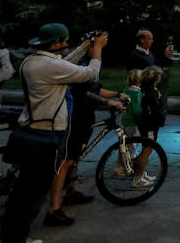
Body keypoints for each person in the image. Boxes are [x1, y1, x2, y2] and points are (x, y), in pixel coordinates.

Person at [0, 23, 107, 243]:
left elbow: (64, 64)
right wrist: (97, 51)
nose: (66, 45)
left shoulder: (33, 61)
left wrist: (84, 45)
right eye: (65, 42)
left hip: (31, 131)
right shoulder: (49, 67)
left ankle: (11, 235)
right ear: (56, 43)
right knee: (33, 194)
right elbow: (90, 74)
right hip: (45, 136)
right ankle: (17, 239)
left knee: (23, 192)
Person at [45, 42, 128, 227]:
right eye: (96, 46)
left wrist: (117, 94)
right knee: (65, 161)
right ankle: (54, 209)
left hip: (85, 118)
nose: (100, 49)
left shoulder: (91, 67)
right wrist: (109, 103)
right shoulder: (78, 67)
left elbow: (95, 89)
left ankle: (71, 191)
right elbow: (83, 94)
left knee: (76, 157)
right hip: (74, 118)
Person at [134, 66, 165, 187]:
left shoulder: (144, 89)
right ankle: (138, 178)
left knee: (145, 146)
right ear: (156, 77)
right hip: (151, 124)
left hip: (143, 122)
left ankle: (142, 173)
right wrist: (161, 120)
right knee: (148, 148)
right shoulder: (152, 92)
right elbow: (156, 109)